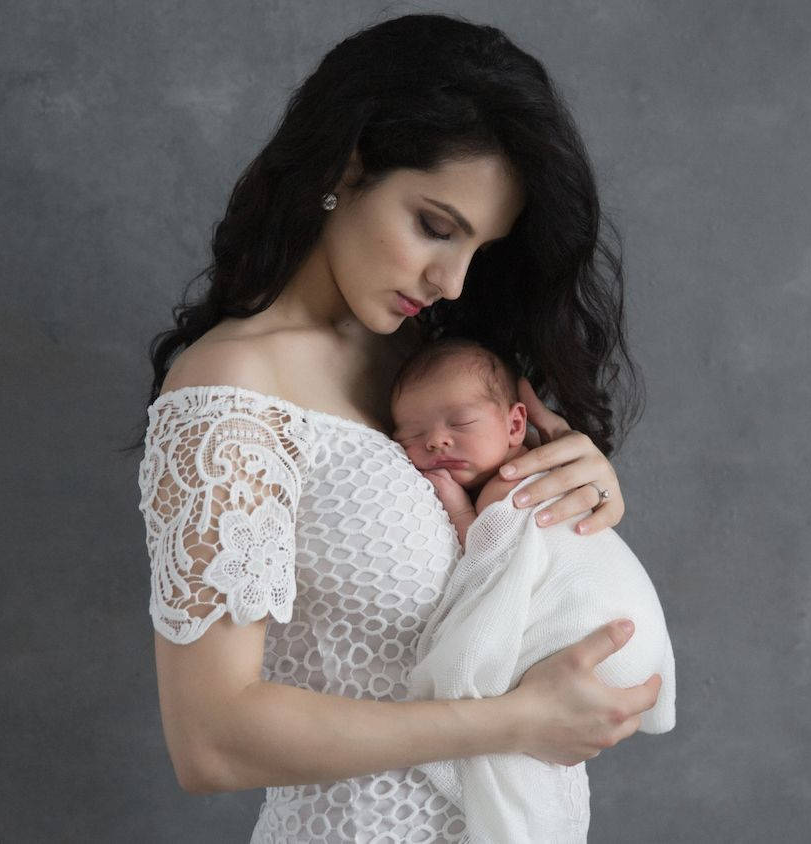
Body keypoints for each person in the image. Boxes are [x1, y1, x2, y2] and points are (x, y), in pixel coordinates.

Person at [129, 13, 662, 843]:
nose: (450, 280)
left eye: (479, 250)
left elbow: (519, 585)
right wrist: (511, 722)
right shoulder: (232, 388)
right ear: (346, 166)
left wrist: (577, 495)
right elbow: (212, 741)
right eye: (436, 227)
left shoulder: (439, 370)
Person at [388, 337, 676, 842]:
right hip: (628, 652)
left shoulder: (510, 483)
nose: (435, 441)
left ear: (516, 425)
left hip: (587, 628)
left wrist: (457, 509)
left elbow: (487, 556)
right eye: (410, 434)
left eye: (460, 424)